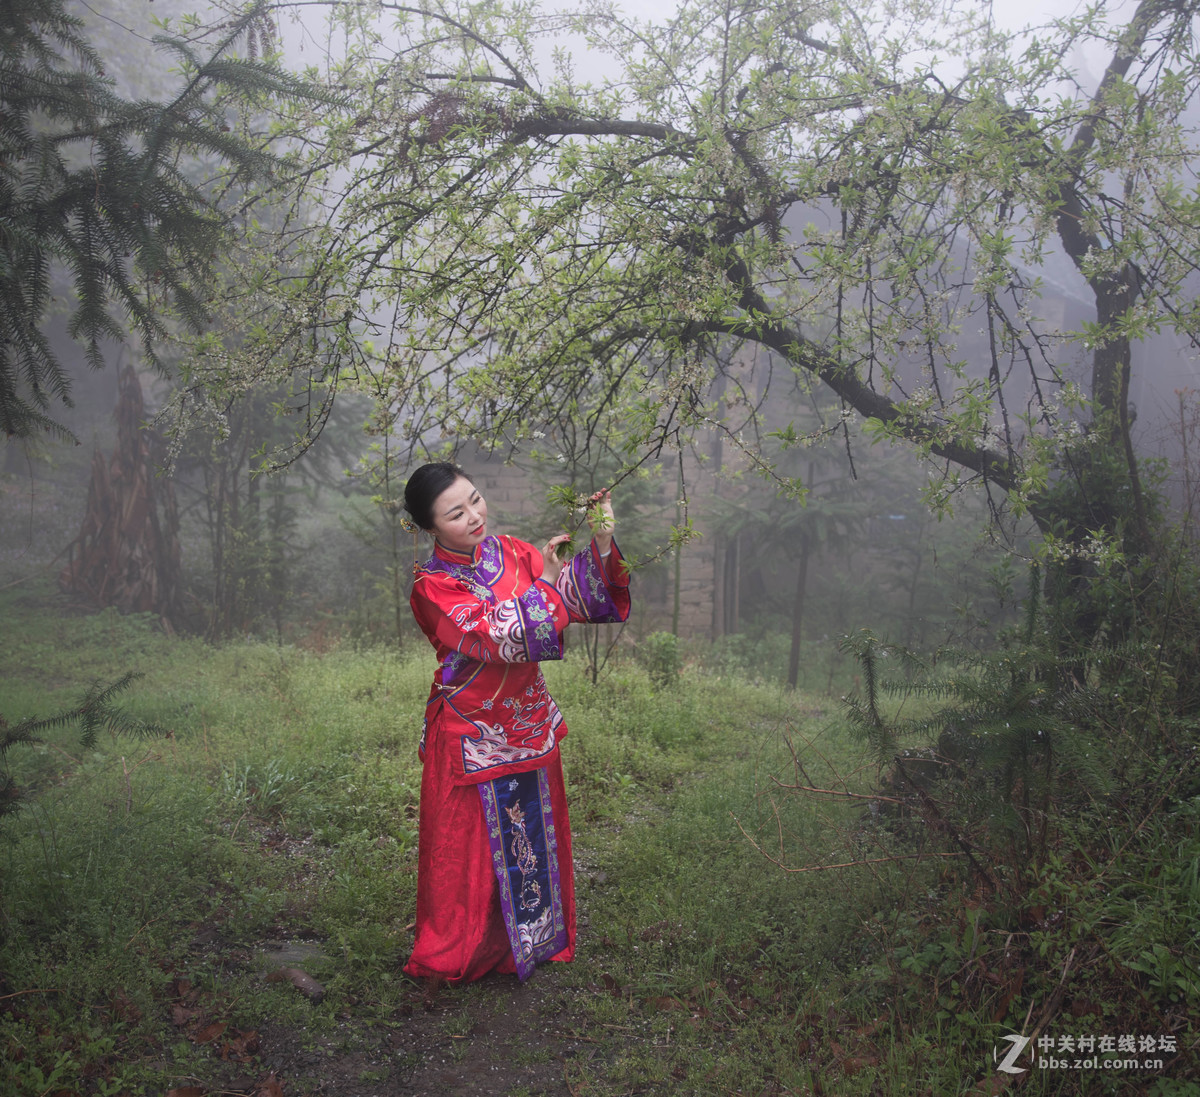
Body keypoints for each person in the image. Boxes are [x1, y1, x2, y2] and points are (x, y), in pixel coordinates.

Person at [401, 462, 630, 984]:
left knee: (530, 835)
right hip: (471, 728)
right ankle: (467, 948)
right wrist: (544, 583)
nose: (474, 516)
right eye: (455, 513)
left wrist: (601, 538)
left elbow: (573, 601)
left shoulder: (511, 551)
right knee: (469, 852)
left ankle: (533, 940)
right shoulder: (432, 586)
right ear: (430, 527)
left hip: (526, 720)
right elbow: (499, 637)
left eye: (475, 499)